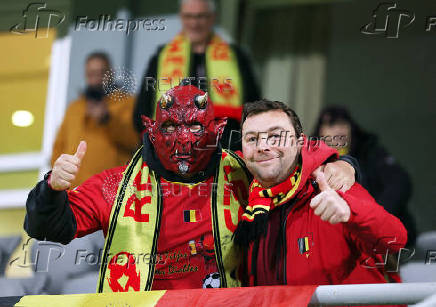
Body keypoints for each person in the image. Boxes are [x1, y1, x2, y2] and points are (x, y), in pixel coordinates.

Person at [24, 84, 357, 292]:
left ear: (217, 128)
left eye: (195, 126)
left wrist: (345, 163)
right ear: (151, 130)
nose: (183, 139)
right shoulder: (118, 184)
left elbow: (294, 160)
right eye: (170, 127)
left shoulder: (244, 171)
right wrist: (52, 189)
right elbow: (46, 227)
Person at [234, 100, 407, 288]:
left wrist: (351, 214)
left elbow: (395, 240)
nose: (262, 146)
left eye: (276, 136)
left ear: (300, 142)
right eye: (251, 139)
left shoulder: (333, 183)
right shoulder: (244, 198)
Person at [134, 0, 261, 150]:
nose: (194, 23)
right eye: (189, 16)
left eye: (201, 16)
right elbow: (142, 109)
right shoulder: (161, 56)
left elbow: (254, 105)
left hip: (224, 148)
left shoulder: (236, 57)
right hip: (173, 149)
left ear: (213, 18)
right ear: (181, 17)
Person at [313, 106, 416, 246]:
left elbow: (399, 184)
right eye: (331, 125)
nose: (338, 130)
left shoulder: (369, 151)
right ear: (320, 131)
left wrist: (375, 219)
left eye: (343, 124)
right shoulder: (311, 160)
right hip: (331, 238)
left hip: (378, 235)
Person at [51, 52, 139, 187]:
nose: (96, 79)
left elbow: (133, 140)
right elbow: (58, 150)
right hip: (74, 193)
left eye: (101, 73)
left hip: (111, 192)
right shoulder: (75, 108)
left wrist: (107, 119)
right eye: (91, 74)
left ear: (110, 74)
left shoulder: (125, 102)